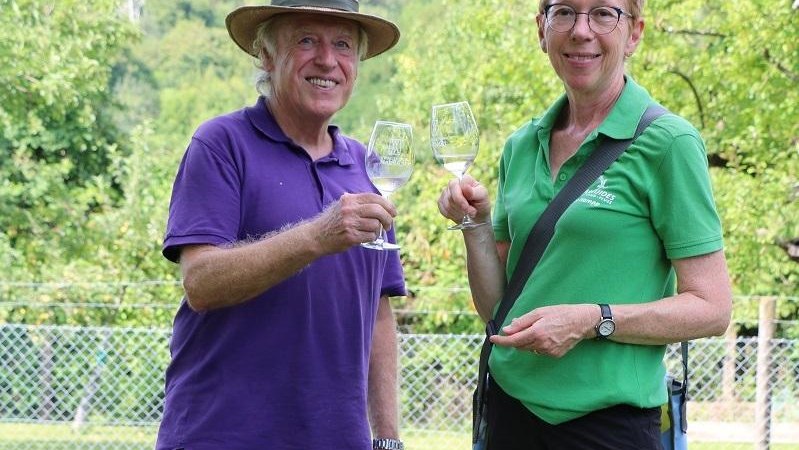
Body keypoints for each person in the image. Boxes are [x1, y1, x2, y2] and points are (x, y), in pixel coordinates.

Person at [437, 1, 732, 449]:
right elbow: (497, 310)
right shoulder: (520, 145)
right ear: (542, 30)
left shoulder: (669, 143)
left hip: (608, 427)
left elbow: (713, 309)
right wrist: (475, 227)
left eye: (602, 13)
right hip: (508, 411)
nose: (581, 30)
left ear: (634, 33)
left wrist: (593, 320)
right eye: (564, 13)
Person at [155, 2, 407, 449]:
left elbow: (378, 313)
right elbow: (200, 283)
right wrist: (317, 235)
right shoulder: (220, 144)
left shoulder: (368, 167)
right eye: (306, 40)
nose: (327, 60)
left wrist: (387, 437)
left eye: (343, 45)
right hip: (222, 436)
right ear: (266, 56)